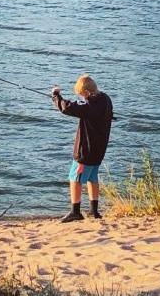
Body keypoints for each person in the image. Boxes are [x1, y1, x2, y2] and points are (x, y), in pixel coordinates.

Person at [52, 74, 114, 222]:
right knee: (92, 178)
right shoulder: (105, 99)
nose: (82, 98)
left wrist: (56, 96)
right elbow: (81, 107)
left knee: (75, 178)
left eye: (81, 95)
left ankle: (75, 211)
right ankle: (94, 211)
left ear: (86, 93)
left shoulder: (89, 106)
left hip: (85, 151)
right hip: (99, 150)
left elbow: (67, 108)